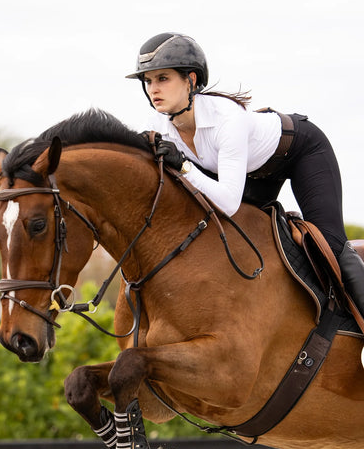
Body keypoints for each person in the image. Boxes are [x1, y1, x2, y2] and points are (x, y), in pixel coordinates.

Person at [126, 32, 364, 318]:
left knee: (330, 246)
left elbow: (227, 202)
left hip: (300, 152)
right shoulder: (154, 126)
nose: (154, 89)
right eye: (148, 81)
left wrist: (184, 166)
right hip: (253, 174)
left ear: (190, 80)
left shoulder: (227, 119)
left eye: (163, 78)